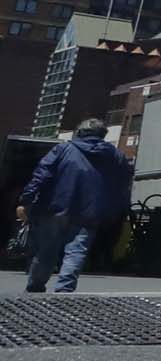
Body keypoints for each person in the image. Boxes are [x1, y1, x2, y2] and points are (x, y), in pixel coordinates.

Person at [16, 118, 133, 293]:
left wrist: (26, 199)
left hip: (54, 206)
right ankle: (64, 289)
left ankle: (35, 285)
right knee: (76, 250)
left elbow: (41, 175)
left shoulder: (63, 149)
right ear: (103, 135)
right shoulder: (116, 155)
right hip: (90, 210)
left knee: (46, 250)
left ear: (79, 132)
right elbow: (123, 184)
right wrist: (116, 209)